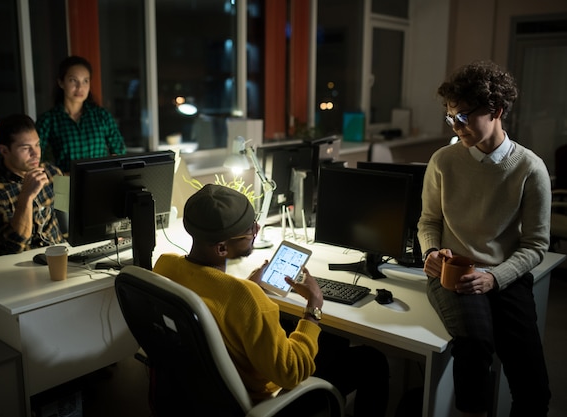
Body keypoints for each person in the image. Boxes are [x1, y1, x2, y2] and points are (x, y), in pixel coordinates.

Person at [153, 184, 390, 417]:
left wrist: (246, 287)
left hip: (196, 395)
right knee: (372, 360)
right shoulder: (247, 298)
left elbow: (216, 303)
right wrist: (313, 308)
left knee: (332, 338)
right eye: (250, 231)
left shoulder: (165, 265)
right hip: (262, 402)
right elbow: (292, 372)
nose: (256, 229)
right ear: (222, 248)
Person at [418, 61, 551, 417]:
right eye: (450, 118)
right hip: (454, 272)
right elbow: (429, 221)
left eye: (463, 116)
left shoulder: (531, 169)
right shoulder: (443, 161)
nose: (456, 126)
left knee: (534, 386)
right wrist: (430, 251)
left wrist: (494, 278)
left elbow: (536, 246)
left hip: (504, 275)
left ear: (497, 111)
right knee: (475, 347)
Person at [0, 114, 65, 255]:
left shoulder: (52, 172)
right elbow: (15, 246)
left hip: (61, 255)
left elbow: (68, 220)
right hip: (23, 265)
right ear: (4, 151)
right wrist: (26, 196)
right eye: (26, 148)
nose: (35, 153)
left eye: (37, 145)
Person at [36, 55, 126, 173]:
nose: (80, 88)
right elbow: (35, 158)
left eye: (85, 81)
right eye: (73, 80)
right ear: (61, 82)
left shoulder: (101, 116)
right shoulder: (48, 120)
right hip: (66, 186)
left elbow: (119, 151)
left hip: (100, 182)